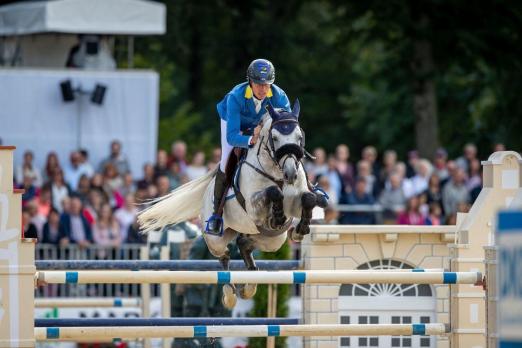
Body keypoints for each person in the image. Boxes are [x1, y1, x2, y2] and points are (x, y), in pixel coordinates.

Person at [207, 59, 291, 234]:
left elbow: (287, 128)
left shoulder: (280, 97)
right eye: (259, 84)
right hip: (235, 126)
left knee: (287, 152)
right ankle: (217, 214)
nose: (263, 89)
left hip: (261, 128)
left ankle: (307, 188)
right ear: (250, 82)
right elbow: (232, 137)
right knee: (225, 161)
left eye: (267, 84)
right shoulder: (235, 97)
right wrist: (251, 139)